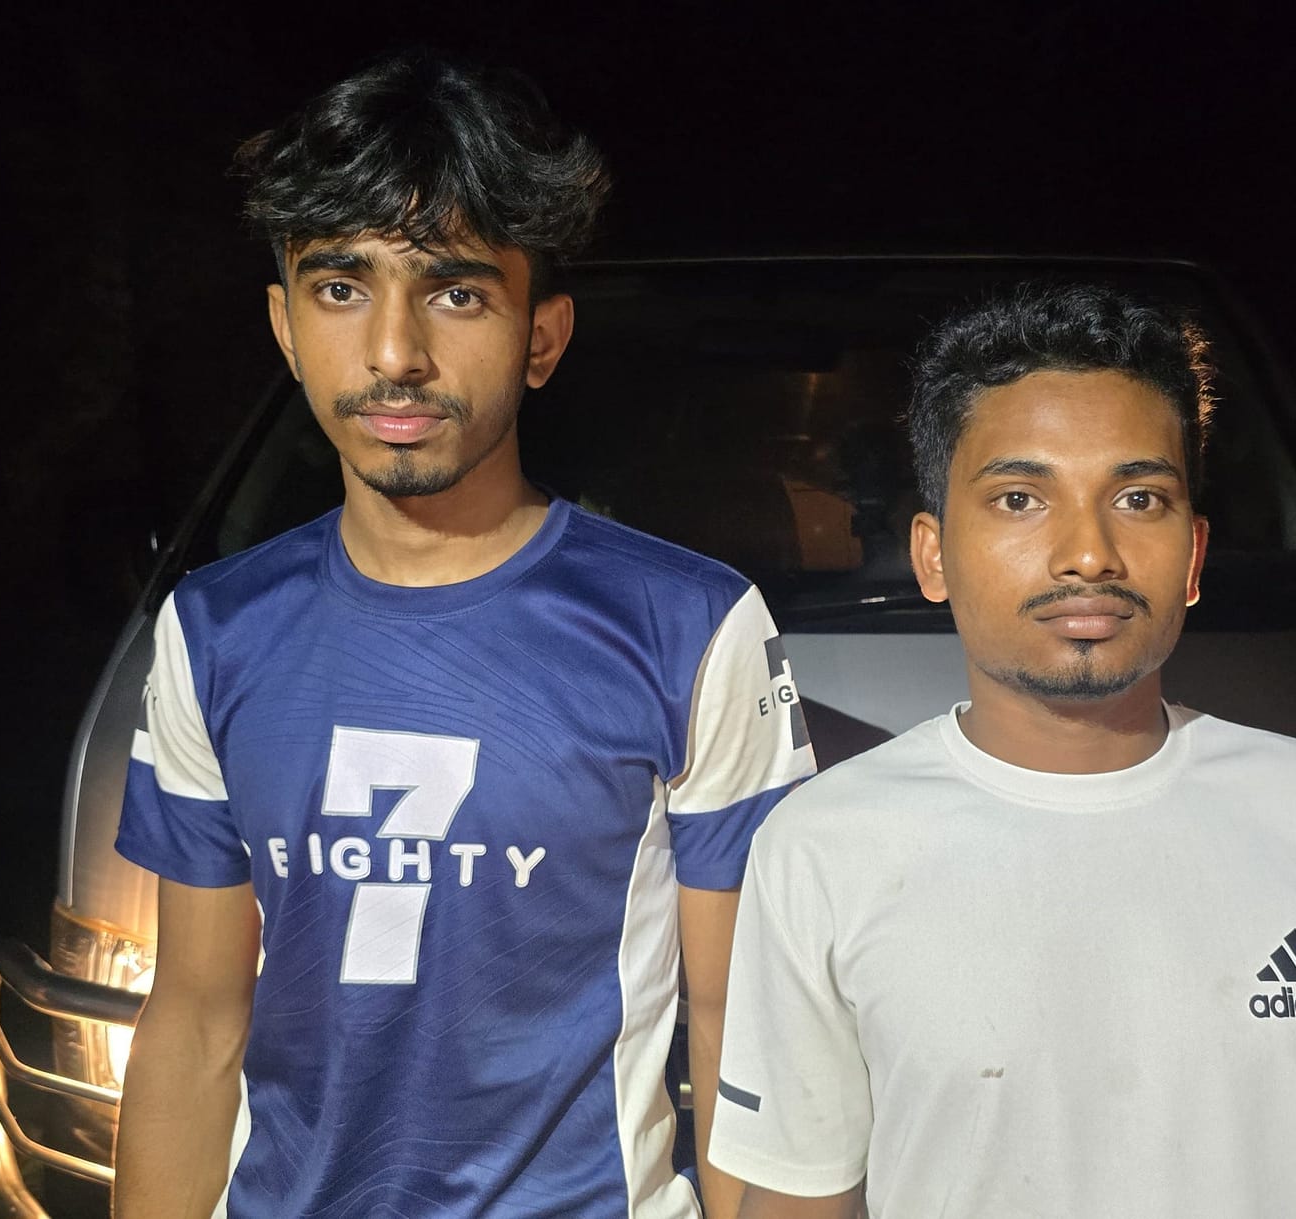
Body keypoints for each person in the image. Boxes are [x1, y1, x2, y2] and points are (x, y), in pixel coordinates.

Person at [112, 51, 814, 1219]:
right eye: (342, 288)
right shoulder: (215, 628)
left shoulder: (689, 626)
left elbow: (743, 1027)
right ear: (284, 325)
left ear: (542, 336)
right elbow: (193, 1016)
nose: (395, 353)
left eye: (455, 293)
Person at [706, 283, 1296, 1218]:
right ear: (932, 554)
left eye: (1137, 497)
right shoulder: (824, 844)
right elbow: (797, 1202)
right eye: (1019, 498)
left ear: (1193, 555)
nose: (1088, 553)